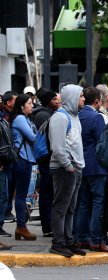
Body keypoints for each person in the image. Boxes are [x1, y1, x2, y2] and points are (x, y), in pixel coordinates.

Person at [48, 84, 86, 257]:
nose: (84, 99)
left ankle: (68, 241)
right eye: (81, 96)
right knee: (61, 207)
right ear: (72, 97)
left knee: (70, 208)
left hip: (74, 168)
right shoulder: (60, 118)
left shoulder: (73, 116)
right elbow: (57, 147)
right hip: (65, 169)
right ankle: (58, 242)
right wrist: (69, 166)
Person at [75, 86, 108, 252]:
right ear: (97, 101)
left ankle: (82, 238)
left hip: (81, 164)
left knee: (83, 203)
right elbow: (102, 142)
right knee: (98, 203)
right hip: (96, 166)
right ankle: (96, 239)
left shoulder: (78, 115)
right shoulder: (96, 118)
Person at [9, 94, 37, 240]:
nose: (32, 105)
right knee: (21, 195)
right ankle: (21, 227)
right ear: (21, 106)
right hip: (22, 159)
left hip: (24, 159)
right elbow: (33, 137)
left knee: (20, 194)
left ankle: (20, 227)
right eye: (29, 103)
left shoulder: (24, 118)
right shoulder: (20, 119)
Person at [32, 88, 59, 237]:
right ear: (49, 101)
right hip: (46, 158)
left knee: (48, 192)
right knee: (47, 192)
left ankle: (49, 225)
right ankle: (47, 226)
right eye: (55, 99)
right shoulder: (44, 115)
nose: (58, 102)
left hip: (46, 158)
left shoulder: (45, 114)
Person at [1, 91, 18, 223]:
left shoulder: (7, 117)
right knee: (4, 192)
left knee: (8, 188)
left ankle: (6, 213)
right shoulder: (6, 118)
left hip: (7, 159)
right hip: (4, 159)